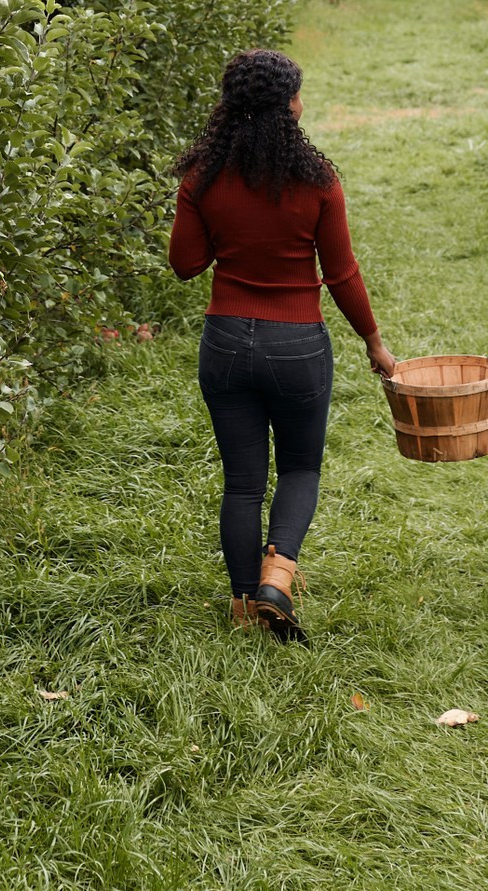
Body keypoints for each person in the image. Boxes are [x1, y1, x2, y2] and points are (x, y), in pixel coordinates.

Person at [170, 49, 397, 641]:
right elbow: (342, 274)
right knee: (300, 466)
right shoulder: (317, 180)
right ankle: (278, 576)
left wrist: (229, 232)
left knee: (242, 482)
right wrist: (374, 342)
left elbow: (186, 264)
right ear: (288, 106)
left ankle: (244, 605)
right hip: (297, 345)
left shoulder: (202, 178)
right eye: (298, 93)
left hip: (225, 342)